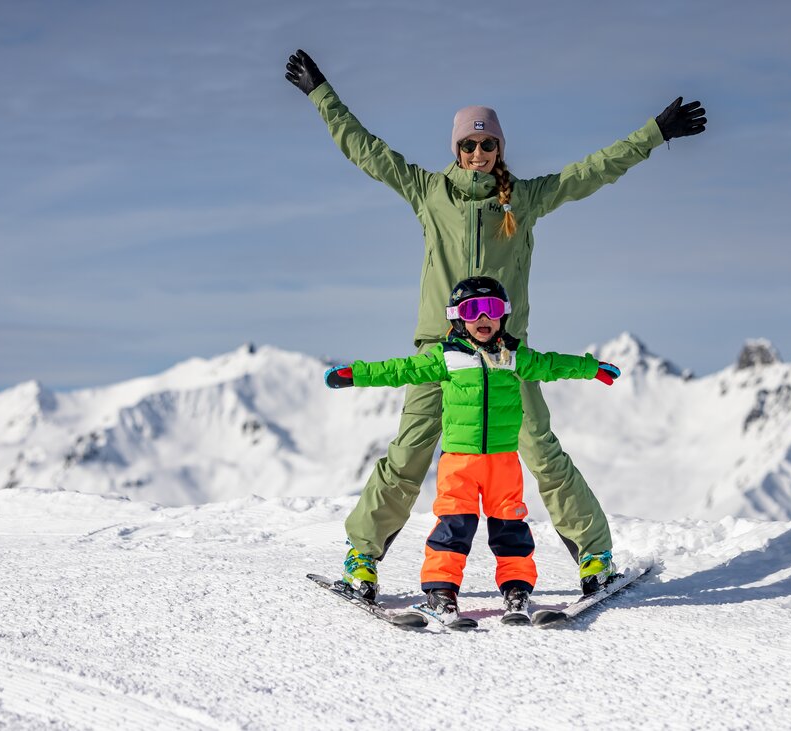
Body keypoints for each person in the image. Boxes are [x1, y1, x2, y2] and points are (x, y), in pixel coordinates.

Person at [285, 48, 706, 600]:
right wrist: (321, 94)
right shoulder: (428, 191)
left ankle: (595, 555)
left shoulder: (524, 199)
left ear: (499, 149)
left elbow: (593, 170)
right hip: (440, 351)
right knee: (408, 454)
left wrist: (655, 133)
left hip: (507, 354)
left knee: (541, 450)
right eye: (468, 145)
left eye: (487, 145)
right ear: (456, 150)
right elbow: (365, 149)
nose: (478, 153)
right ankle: (362, 557)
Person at [324, 277, 622, 625]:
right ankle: (442, 594)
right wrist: (355, 374)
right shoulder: (446, 358)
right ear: (457, 318)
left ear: (503, 315)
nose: (483, 317)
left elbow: (552, 364)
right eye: (472, 310)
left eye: (491, 309)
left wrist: (591, 368)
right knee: (453, 528)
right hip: (459, 464)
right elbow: (399, 369)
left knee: (511, 530)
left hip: (503, 463)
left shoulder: (514, 357)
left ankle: (517, 591)